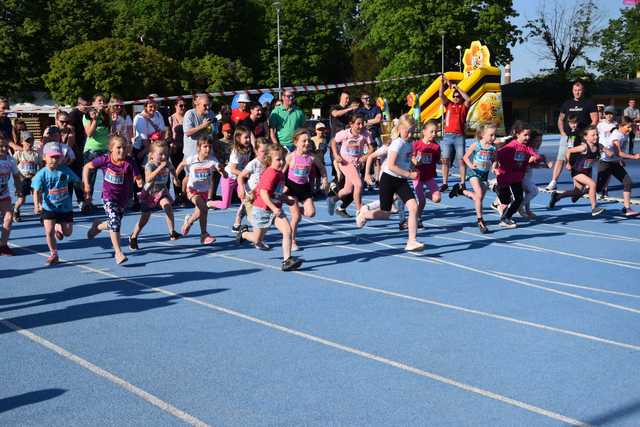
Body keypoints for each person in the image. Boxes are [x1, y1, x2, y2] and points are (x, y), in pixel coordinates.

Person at [356, 115, 425, 251]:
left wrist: (414, 165)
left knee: (413, 207)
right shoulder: (397, 143)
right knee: (386, 213)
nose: (410, 134)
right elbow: (392, 165)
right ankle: (364, 213)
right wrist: (410, 175)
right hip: (389, 178)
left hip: (401, 180)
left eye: (412, 131)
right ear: (399, 129)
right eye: (407, 131)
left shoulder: (409, 143)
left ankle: (411, 241)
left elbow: (406, 161)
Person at [236, 144, 304, 271]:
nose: (282, 162)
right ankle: (244, 233)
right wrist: (273, 207)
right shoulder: (270, 173)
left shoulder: (280, 174)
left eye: (283, 159)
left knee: (287, 230)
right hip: (262, 209)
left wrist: (285, 199)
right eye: (278, 159)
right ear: (269, 160)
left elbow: (276, 193)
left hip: (275, 210)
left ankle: (287, 260)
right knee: (257, 239)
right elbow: (263, 193)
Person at [84, 135, 143, 264]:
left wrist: (140, 184)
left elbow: (138, 177)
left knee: (113, 222)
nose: (122, 150)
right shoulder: (105, 160)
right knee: (115, 223)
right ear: (111, 149)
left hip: (123, 199)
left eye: (124, 147)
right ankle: (118, 252)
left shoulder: (129, 162)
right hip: (108, 197)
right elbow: (87, 167)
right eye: (118, 147)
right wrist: (87, 184)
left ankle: (98, 226)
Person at [32, 142, 82, 265]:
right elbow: (37, 191)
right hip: (48, 208)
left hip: (65, 207)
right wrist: (36, 204)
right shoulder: (41, 174)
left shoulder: (65, 170)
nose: (54, 160)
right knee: (48, 231)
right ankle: (54, 253)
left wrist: (84, 191)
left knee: (68, 232)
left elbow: (77, 180)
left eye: (57, 157)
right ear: (44, 157)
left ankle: (58, 226)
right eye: (52, 157)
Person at [546, 80, 598, 190]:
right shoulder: (567, 103)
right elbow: (560, 119)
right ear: (572, 91)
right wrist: (562, 133)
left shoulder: (589, 103)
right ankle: (554, 181)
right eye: (575, 90)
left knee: (585, 160)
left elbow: (594, 120)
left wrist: (587, 134)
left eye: (579, 90)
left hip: (582, 139)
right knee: (561, 158)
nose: (577, 92)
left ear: (583, 90)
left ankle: (585, 183)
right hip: (568, 137)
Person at [129, 141, 181, 250]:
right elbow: (148, 179)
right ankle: (133, 236)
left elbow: (172, 170)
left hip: (161, 190)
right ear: (152, 155)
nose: (164, 157)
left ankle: (172, 232)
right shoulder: (150, 165)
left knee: (168, 206)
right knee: (145, 218)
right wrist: (159, 168)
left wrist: (176, 179)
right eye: (161, 154)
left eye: (166, 154)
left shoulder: (167, 163)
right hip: (149, 193)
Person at [284, 128, 329, 251]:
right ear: (296, 142)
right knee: (296, 216)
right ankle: (292, 241)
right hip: (291, 187)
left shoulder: (312, 158)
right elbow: (281, 172)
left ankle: (298, 210)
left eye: (308, 140)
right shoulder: (290, 157)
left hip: (304, 187)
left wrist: (325, 180)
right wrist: (281, 185)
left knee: (311, 213)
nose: (307, 143)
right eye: (303, 141)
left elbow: (322, 168)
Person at [450, 124, 498, 233]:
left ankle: (461, 191)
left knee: (478, 198)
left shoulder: (493, 148)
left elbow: (495, 159)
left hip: (484, 175)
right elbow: (465, 157)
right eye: (491, 135)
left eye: (495, 135)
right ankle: (480, 221)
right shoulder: (476, 145)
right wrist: (471, 165)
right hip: (474, 173)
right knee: (479, 194)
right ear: (482, 135)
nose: (493, 137)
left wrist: (494, 167)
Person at [494, 121, 543, 228]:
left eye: (529, 135)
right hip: (506, 176)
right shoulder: (511, 146)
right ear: (517, 134)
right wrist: (496, 166)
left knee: (518, 198)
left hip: (517, 177)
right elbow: (497, 154)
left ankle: (506, 218)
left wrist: (535, 158)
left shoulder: (526, 147)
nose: (527, 137)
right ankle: (504, 216)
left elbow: (536, 155)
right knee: (509, 200)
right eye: (525, 135)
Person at [176, 136, 224, 245]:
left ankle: (189, 221)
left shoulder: (212, 160)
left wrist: (223, 172)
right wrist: (175, 177)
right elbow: (182, 164)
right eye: (205, 146)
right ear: (199, 148)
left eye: (209, 147)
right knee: (204, 209)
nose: (207, 149)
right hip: (192, 190)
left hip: (204, 192)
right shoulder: (192, 159)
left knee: (199, 212)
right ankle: (204, 235)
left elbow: (222, 172)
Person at [548, 126, 605, 216]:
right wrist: (568, 163)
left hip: (586, 172)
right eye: (593, 135)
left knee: (577, 192)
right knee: (592, 184)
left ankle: (557, 196)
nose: (596, 136)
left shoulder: (599, 146)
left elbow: (609, 152)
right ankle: (594, 208)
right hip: (577, 171)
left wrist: (611, 153)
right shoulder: (583, 147)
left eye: (597, 134)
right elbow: (568, 151)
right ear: (586, 137)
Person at [327, 114, 373, 216]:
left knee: (348, 190)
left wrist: (365, 156)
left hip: (356, 164)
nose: (361, 126)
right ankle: (359, 210)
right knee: (359, 184)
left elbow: (371, 149)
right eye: (358, 124)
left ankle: (333, 199)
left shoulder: (366, 134)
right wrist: (336, 154)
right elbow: (333, 142)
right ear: (351, 124)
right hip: (345, 162)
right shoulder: (344, 134)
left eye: (362, 123)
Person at [208, 126, 253, 232]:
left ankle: (237, 224)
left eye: (249, 138)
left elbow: (244, 165)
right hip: (229, 177)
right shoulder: (236, 152)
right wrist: (245, 174)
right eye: (246, 138)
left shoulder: (248, 149)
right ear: (238, 138)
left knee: (245, 200)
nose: (248, 140)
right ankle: (209, 203)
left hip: (239, 179)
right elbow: (233, 169)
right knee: (225, 205)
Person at [595, 116, 640, 217]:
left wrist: (619, 161)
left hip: (614, 163)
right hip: (605, 163)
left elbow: (617, 154)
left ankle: (627, 208)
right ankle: (567, 194)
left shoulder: (624, 135)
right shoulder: (617, 136)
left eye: (631, 127)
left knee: (627, 182)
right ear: (621, 126)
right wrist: (633, 156)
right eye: (628, 127)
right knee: (597, 188)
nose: (630, 129)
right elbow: (619, 152)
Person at [237, 138, 271, 250]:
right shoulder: (253, 164)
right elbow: (241, 176)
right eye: (262, 152)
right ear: (256, 151)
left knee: (264, 221)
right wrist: (241, 188)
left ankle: (249, 235)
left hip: (262, 197)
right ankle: (255, 239)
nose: (265, 154)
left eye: (267, 152)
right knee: (255, 221)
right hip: (250, 197)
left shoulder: (268, 164)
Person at [439, 74, 471, 192]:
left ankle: (462, 183)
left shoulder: (463, 106)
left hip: (459, 136)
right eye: (454, 96)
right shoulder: (449, 105)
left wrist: (457, 88)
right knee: (445, 160)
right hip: (448, 136)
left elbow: (468, 99)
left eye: (458, 96)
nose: (456, 97)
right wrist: (442, 84)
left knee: (461, 160)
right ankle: (444, 183)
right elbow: (440, 95)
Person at [409, 120, 442, 229]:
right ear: (424, 131)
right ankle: (418, 217)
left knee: (437, 198)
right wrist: (414, 161)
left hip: (429, 177)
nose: (434, 134)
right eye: (431, 131)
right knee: (421, 201)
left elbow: (438, 160)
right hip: (418, 176)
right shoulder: (417, 144)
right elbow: (411, 157)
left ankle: (426, 194)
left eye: (435, 132)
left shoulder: (436, 147)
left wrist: (443, 161)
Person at [82, 94, 111, 212]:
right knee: (90, 178)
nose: (101, 102)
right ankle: (87, 203)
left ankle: (109, 200)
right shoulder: (88, 116)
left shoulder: (106, 115)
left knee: (109, 177)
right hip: (92, 151)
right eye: (99, 101)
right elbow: (89, 133)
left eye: (103, 101)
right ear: (93, 103)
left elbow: (110, 130)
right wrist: (95, 118)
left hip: (105, 149)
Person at [12, 131, 41, 222]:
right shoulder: (19, 154)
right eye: (27, 141)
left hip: (33, 179)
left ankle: (42, 214)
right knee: (22, 199)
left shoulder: (36, 154)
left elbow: (40, 166)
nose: (29, 143)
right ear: (22, 142)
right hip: (22, 179)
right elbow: (13, 166)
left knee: (38, 196)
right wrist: (19, 177)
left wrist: (37, 175)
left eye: (31, 140)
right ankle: (16, 210)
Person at [0, 136, 21, 255]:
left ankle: (3, 245)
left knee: (8, 218)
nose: (3, 148)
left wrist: (18, 189)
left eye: (5, 146)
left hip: (4, 194)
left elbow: (16, 176)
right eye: (0, 146)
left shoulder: (11, 160)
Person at [356, 92, 383, 180]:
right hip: (364, 138)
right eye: (365, 98)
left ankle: (378, 179)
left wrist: (366, 122)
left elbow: (378, 119)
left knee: (378, 159)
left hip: (376, 136)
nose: (367, 99)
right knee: (364, 158)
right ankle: (364, 178)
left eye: (368, 97)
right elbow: (360, 123)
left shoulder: (376, 108)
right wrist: (372, 121)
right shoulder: (359, 111)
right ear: (362, 100)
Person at [132, 97, 167, 166]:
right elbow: (145, 142)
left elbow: (163, 132)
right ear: (145, 107)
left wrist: (160, 147)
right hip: (142, 149)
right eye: (150, 106)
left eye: (155, 106)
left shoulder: (158, 114)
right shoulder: (140, 118)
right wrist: (156, 150)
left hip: (156, 147)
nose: (153, 109)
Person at [183, 94, 217, 160]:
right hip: (192, 154)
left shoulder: (211, 114)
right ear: (197, 105)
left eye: (209, 105)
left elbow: (214, 132)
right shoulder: (190, 114)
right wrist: (203, 126)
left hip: (207, 153)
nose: (207, 107)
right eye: (205, 105)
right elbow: (187, 132)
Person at [167, 97, 186, 203]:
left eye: (184, 105)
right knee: (176, 172)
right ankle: (178, 194)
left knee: (186, 172)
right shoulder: (171, 118)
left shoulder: (187, 117)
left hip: (186, 148)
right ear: (175, 106)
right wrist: (171, 144)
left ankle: (185, 193)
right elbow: (168, 134)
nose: (183, 107)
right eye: (180, 105)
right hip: (175, 148)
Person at [310, 122, 329, 194]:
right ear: (316, 130)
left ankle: (318, 189)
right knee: (312, 176)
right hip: (313, 161)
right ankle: (312, 190)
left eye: (322, 130)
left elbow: (325, 150)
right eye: (319, 130)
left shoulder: (324, 140)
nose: (321, 131)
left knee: (319, 176)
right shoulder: (312, 139)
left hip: (321, 160)